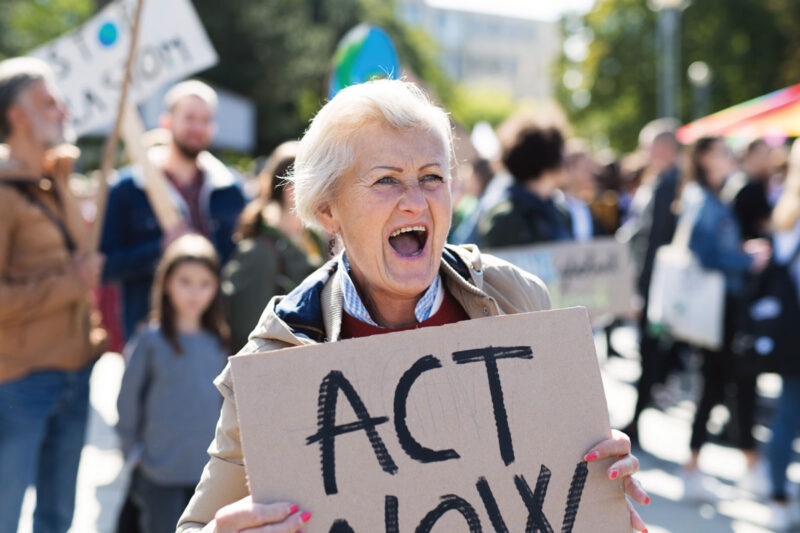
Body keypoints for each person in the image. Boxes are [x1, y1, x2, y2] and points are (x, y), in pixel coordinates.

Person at [176, 79, 649, 533]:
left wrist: (599, 489)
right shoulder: (280, 354)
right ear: (327, 211)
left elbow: (559, 479)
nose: (415, 202)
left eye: (432, 177)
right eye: (386, 180)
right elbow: (195, 526)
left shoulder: (517, 302)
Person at [0, 57, 104, 533]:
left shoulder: (54, 176)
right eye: (49, 102)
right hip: (20, 383)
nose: (64, 110)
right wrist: (72, 285)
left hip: (75, 373)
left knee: (58, 517)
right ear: (17, 116)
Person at [100, 79, 246, 341]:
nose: (198, 127)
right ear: (166, 122)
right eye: (189, 117)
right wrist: (159, 249)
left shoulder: (231, 188)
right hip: (151, 334)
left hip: (215, 335)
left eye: (205, 119)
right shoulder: (128, 189)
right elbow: (105, 266)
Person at [676, 136, 771, 501]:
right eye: (722, 152)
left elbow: (713, 250)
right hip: (718, 309)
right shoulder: (704, 198)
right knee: (725, 381)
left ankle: (701, 467)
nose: (729, 157)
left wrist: (741, 253)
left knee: (718, 382)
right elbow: (703, 255)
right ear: (703, 158)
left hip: (721, 307)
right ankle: (743, 466)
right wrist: (746, 259)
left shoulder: (710, 196)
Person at [116, 234, 229, 533]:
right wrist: (134, 454)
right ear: (166, 283)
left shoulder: (219, 343)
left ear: (216, 287)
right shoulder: (150, 340)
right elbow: (127, 402)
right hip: (157, 472)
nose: (195, 292)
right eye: (185, 281)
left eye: (204, 283)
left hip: (205, 475)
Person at [222, 141, 324, 352]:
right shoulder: (259, 252)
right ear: (290, 189)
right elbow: (248, 336)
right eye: (319, 182)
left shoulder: (314, 240)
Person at [618, 120, 683, 444]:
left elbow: (653, 243)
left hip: (656, 286)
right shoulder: (661, 182)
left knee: (651, 350)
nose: (646, 153)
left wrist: (639, 292)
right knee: (651, 351)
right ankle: (642, 410)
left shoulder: (669, 185)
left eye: (651, 146)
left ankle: (639, 415)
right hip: (656, 285)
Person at [762, 138, 800, 531]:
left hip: (790, 332)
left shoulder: (785, 211)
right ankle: (777, 494)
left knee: (787, 412)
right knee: (788, 413)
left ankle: (777, 494)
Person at [478, 117, 573, 248]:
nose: (566, 158)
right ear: (545, 158)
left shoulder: (561, 213)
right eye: (560, 152)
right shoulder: (505, 218)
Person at [721, 138, 773, 240]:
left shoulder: (734, 178)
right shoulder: (751, 187)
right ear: (751, 155)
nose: (768, 160)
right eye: (765, 155)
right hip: (749, 246)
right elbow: (764, 223)